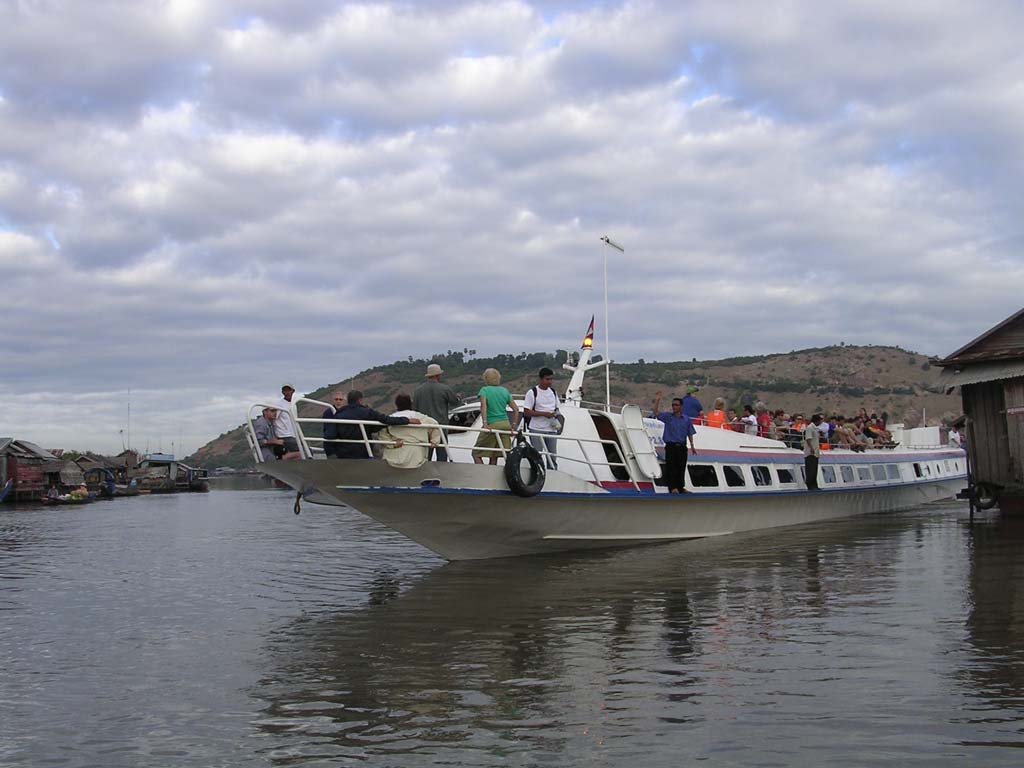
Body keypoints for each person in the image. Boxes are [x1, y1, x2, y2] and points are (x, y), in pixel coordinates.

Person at [328, 391, 420, 459]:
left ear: (347, 400)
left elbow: (330, 435)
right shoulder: (367, 412)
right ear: (360, 400)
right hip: (363, 452)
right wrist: (407, 420)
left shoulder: (338, 414)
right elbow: (386, 419)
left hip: (342, 454)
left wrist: (332, 453)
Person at [413, 363, 461, 462]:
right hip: (441, 427)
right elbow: (455, 402)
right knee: (442, 457)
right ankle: (440, 476)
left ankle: (425, 475)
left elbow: (415, 410)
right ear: (438, 375)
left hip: (424, 428)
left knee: (426, 457)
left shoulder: (418, 391)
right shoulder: (444, 389)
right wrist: (459, 396)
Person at [379, 394, 442, 469]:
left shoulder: (391, 418)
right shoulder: (421, 417)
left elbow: (382, 433)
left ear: (397, 405)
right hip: (416, 456)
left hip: (393, 457)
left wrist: (392, 444)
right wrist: (434, 441)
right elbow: (435, 425)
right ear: (410, 404)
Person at [652, 391, 697, 494]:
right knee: (671, 467)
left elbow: (689, 432)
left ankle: (681, 487)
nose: (674, 407)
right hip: (671, 446)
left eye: (676, 405)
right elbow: (656, 412)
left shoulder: (686, 419)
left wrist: (692, 446)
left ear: (681, 406)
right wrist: (658, 400)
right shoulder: (668, 417)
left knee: (681, 467)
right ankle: (673, 488)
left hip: (682, 446)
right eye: (673, 405)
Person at [473, 368, 519, 465]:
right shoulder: (504, 391)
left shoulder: (484, 390)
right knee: (495, 454)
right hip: (505, 424)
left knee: (476, 453)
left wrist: (485, 423)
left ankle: (483, 474)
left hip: (492, 424)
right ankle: (492, 476)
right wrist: (514, 426)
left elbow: (483, 406)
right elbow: (516, 409)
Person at [523, 367, 561, 470]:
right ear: (541, 379)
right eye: (547, 379)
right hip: (537, 429)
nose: (550, 382)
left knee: (552, 456)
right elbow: (526, 411)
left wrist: (555, 414)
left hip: (551, 428)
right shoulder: (532, 392)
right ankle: (537, 474)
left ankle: (552, 475)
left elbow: (557, 407)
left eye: (551, 379)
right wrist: (543, 414)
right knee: (536, 455)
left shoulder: (553, 392)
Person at [274, 383, 302, 460]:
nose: (287, 392)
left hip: (293, 435)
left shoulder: (294, 405)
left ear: (293, 391)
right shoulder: (279, 404)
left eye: (288, 390)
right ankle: (280, 459)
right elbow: (273, 418)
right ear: (282, 392)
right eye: (284, 390)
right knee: (304, 451)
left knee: (306, 451)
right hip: (284, 435)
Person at [322, 392, 347, 458]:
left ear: (344, 401)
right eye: (336, 399)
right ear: (333, 400)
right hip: (332, 446)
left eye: (340, 399)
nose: (338, 401)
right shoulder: (328, 412)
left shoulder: (347, 412)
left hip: (344, 446)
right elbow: (329, 431)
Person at [803, 414, 823, 490]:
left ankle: (814, 485)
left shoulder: (816, 428)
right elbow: (808, 439)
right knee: (810, 469)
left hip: (815, 452)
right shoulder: (810, 428)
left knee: (814, 469)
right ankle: (810, 485)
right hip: (810, 452)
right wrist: (811, 448)